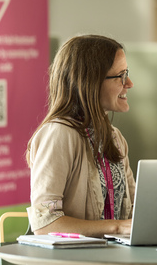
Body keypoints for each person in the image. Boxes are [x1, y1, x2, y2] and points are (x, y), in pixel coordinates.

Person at [26, 35, 135, 238]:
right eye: (120, 75)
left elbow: (136, 208)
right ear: (90, 82)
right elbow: (45, 225)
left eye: (126, 73)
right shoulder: (58, 135)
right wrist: (117, 227)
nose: (129, 83)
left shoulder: (115, 138)